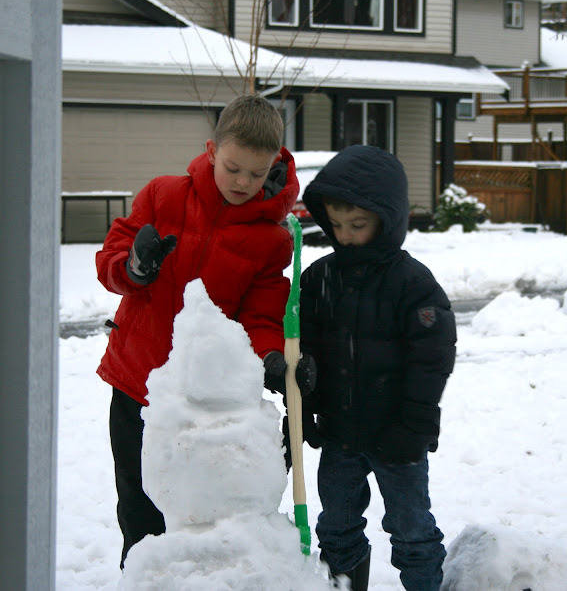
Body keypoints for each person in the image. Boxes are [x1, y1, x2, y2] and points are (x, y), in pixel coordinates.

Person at [96, 94, 315, 569]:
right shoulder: (162, 196)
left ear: (274, 166)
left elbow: (260, 319)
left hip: (202, 404)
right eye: (233, 168)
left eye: (256, 174)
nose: (243, 182)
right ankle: (144, 578)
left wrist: (271, 359)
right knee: (138, 506)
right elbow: (110, 259)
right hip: (136, 381)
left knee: (199, 516)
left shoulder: (270, 239)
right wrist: (133, 266)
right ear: (212, 151)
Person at [299, 145, 457, 591]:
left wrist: (415, 425)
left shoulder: (413, 283)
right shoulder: (319, 279)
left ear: (388, 220)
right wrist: (304, 403)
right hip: (341, 434)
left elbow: (432, 360)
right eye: (336, 225)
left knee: (411, 530)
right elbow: (305, 350)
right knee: (336, 527)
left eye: (358, 225)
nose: (345, 236)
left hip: (397, 436)